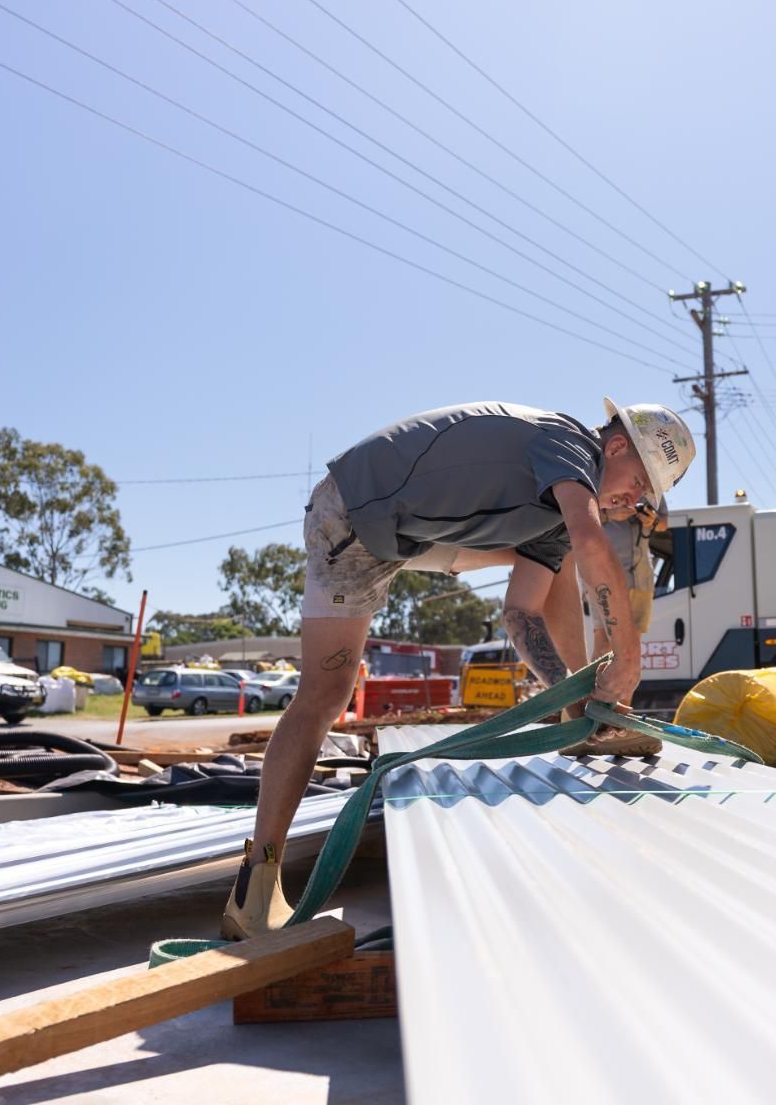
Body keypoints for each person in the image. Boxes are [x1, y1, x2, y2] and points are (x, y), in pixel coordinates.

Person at [223, 398, 695, 939]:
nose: (635, 499)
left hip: (412, 533)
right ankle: (254, 890)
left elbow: (521, 615)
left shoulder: (558, 510)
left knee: (555, 557)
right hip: (353, 514)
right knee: (323, 699)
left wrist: (578, 698)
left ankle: (577, 703)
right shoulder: (569, 445)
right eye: (639, 481)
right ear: (615, 447)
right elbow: (591, 543)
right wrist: (627, 651)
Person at [585, 497, 667, 666]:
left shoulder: (651, 485)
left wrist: (652, 520)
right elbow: (578, 516)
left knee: (631, 649)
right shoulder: (597, 475)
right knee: (603, 646)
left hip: (640, 577)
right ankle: (596, 693)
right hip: (603, 576)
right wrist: (609, 514)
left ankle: (622, 693)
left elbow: (664, 523)